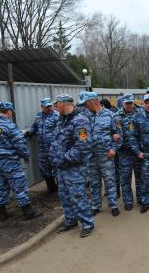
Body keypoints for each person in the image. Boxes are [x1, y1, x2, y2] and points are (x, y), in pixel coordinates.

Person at [49, 94, 94, 237]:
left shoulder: (80, 121)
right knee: (65, 195)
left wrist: (64, 159)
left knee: (77, 195)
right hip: (61, 167)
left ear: (62, 104)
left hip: (73, 167)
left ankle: (87, 223)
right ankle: (70, 220)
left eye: (56, 104)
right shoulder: (62, 119)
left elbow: (83, 146)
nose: (55, 107)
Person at [0, 102, 43, 221]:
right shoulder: (10, 126)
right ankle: (28, 212)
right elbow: (20, 144)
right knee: (19, 186)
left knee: (0, 186)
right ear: (9, 112)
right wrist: (25, 155)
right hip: (10, 162)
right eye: (11, 113)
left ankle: (2, 213)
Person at [80, 91, 122, 217]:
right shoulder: (84, 116)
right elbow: (81, 135)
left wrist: (114, 149)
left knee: (110, 180)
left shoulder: (110, 115)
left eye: (86, 104)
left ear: (93, 102)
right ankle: (95, 205)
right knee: (94, 182)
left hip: (106, 155)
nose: (84, 106)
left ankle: (113, 205)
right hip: (90, 156)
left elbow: (119, 135)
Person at [24, 98, 59, 192]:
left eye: (50, 106)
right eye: (46, 106)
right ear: (42, 107)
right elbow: (34, 127)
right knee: (44, 168)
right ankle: (52, 189)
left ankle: (61, 190)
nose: (49, 108)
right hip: (42, 148)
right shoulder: (38, 116)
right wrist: (28, 132)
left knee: (57, 167)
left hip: (54, 147)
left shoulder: (57, 116)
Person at [116, 93, 143, 210]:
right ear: (122, 103)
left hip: (138, 152)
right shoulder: (117, 116)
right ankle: (128, 201)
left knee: (140, 178)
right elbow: (112, 130)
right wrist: (114, 135)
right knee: (125, 179)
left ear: (133, 102)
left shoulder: (141, 113)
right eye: (126, 103)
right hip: (124, 153)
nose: (129, 105)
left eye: (130, 103)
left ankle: (141, 198)